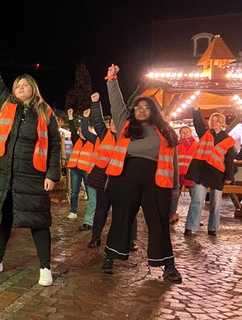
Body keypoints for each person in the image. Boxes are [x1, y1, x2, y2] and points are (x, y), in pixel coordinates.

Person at [0, 36, 62, 286]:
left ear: (33, 88)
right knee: (2, 218)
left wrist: (52, 174)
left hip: (32, 174)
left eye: (25, 84)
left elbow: (55, 145)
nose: (20, 87)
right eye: (17, 85)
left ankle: (45, 268)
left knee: (38, 221)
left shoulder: (45, 112)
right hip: (3, 173)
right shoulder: (6, 105)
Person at [101, 64, 182, 283]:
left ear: (153, 110)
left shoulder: (166, 132)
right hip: (125, 178)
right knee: (121, 218)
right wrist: (112, 81)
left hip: (156, 182)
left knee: (158, 222)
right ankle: (110, 258)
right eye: (138, 107)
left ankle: (169, 265)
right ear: (134, 111)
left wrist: (175, 188)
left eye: (147, 106)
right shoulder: (126, 125)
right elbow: (117, 105)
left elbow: (173, 162)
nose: (142, 109)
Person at [85, 93, 138, 250]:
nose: (114, 124)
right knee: (101, 210)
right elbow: (97, 120)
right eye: (112, 122)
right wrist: (95, 103)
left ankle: (131, 239)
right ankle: (96, 237)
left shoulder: (130, 136)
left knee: (128, 212)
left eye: (117, 121)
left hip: (124, 180)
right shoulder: (103, 134)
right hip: (105, 180)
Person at [184, 107, 236, 236]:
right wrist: (196, 110)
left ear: (222, 123)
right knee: (197, 200)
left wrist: (229, 177)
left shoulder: (228, 140)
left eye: (217, 121)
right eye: (212, 120)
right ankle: (190, 226)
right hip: (201, 171)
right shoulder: (204, 133)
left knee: (216, 203)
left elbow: (229, 161)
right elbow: (198, 123)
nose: (214, 123)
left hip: (217, 174)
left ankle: (213, 228)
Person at [66, 108, 95, 221]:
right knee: (74, 192)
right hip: (75, 169)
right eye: (80, 131)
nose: (81, 132)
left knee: (90, 192)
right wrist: (70, 117)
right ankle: (73, 211)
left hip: (87, 170)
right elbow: (72, 129)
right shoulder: (76, 139)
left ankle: (92, 212)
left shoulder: (92, 141)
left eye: (83, 130)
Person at [73, 108, 98, 231]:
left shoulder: (119, 138)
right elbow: (85, 132)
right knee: (93, 200)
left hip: (112, 176)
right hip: (94, 175)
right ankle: (89, 222)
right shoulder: (96, 139)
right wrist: (85, 118)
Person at [169, 126, 198, 224]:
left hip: (192, 174)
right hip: (178, 173)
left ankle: (194, 219)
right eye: (183, 132)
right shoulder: (176, 144)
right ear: (180, 134)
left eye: (187, 131)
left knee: (195, 198)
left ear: (191, 132)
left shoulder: (197, 145)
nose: (185, 133)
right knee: (174, 196)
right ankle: (172, 214)